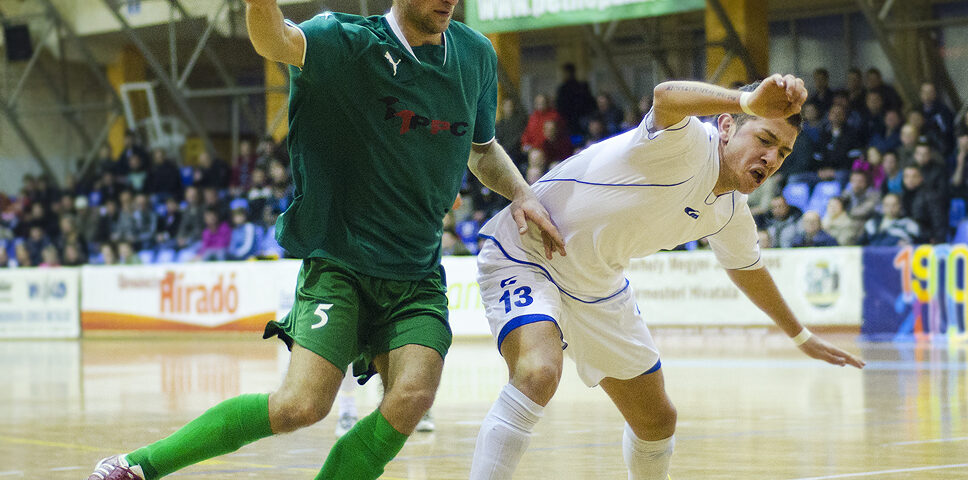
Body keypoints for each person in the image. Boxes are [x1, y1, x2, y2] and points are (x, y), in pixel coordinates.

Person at [87, 1, 562, 479]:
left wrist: (522, 192)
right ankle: (137, 467)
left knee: (414, 396)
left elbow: (481, 150)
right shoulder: (347, 42)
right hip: (340, 265)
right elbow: (275, 41)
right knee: (300, 405)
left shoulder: (476, 54)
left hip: (417, 275)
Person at [468, 75, 864, 480]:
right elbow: (665, 95)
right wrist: (747, 100)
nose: (772, 158)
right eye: (765, 139)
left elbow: (749, 271)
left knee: (657, 420)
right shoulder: (689, 143)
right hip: (527, 251)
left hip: (598, 286)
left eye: (783, 151)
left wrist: (801, 336)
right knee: (538, 372)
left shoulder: (731, 212)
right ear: (727, 126)